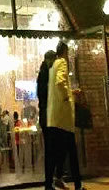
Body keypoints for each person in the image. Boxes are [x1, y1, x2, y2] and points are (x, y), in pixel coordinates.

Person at [47, 41, 85, 190]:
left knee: (62, 150)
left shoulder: (53, 66)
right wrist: (67, 98)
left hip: (55, 116)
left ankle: (58, 178)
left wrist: (71, 92)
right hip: (64, 116)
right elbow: (60, 82)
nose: (68, 56)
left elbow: (58, 86)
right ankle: (78, 185)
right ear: (65, 52)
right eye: (68, 53)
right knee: (71, 151)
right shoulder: (62, 62)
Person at [38, 50, 68, 189]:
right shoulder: (44, 74)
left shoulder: (50, 73)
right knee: (52, 150)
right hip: (49, 118)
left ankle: (56, 178)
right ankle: (49, 182)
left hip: (54, 117)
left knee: (59, 148)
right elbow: (44, 96)